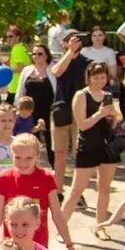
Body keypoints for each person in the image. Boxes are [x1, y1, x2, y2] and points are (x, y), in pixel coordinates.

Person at [0, 133, 85, 250]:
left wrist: (70, 247)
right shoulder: (4, 178)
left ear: (38, 156)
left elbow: (57, 214)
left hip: (38, 248)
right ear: (12, 154)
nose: (23, 163)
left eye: (29, 158)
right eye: (18, 157)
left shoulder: (46, 178)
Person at [60, 62, 120, 226]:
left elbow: (114, 125)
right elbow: (83, 125)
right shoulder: (81, 95)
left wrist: (113, 116)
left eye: (102, 77)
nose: (99, 81)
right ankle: (61, 227)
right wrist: (100, 113)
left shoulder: (108, 95)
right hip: (88, 146)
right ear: (89, 78)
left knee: (104, 188)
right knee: (76, 190)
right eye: (95, 77)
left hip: (107, 146)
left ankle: (100, 225)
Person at [50, 29, 90, 190]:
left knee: (79, 153)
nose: (74, 41)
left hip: (80, 111)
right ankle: (58, 190)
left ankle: (77, 192)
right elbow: (57, 72)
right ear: (63, 43)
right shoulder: (60, 61)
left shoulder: (87, 62)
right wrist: (70, 52)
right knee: (60, 153)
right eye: (69, 39)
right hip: (61, 110)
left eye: (77, 38)